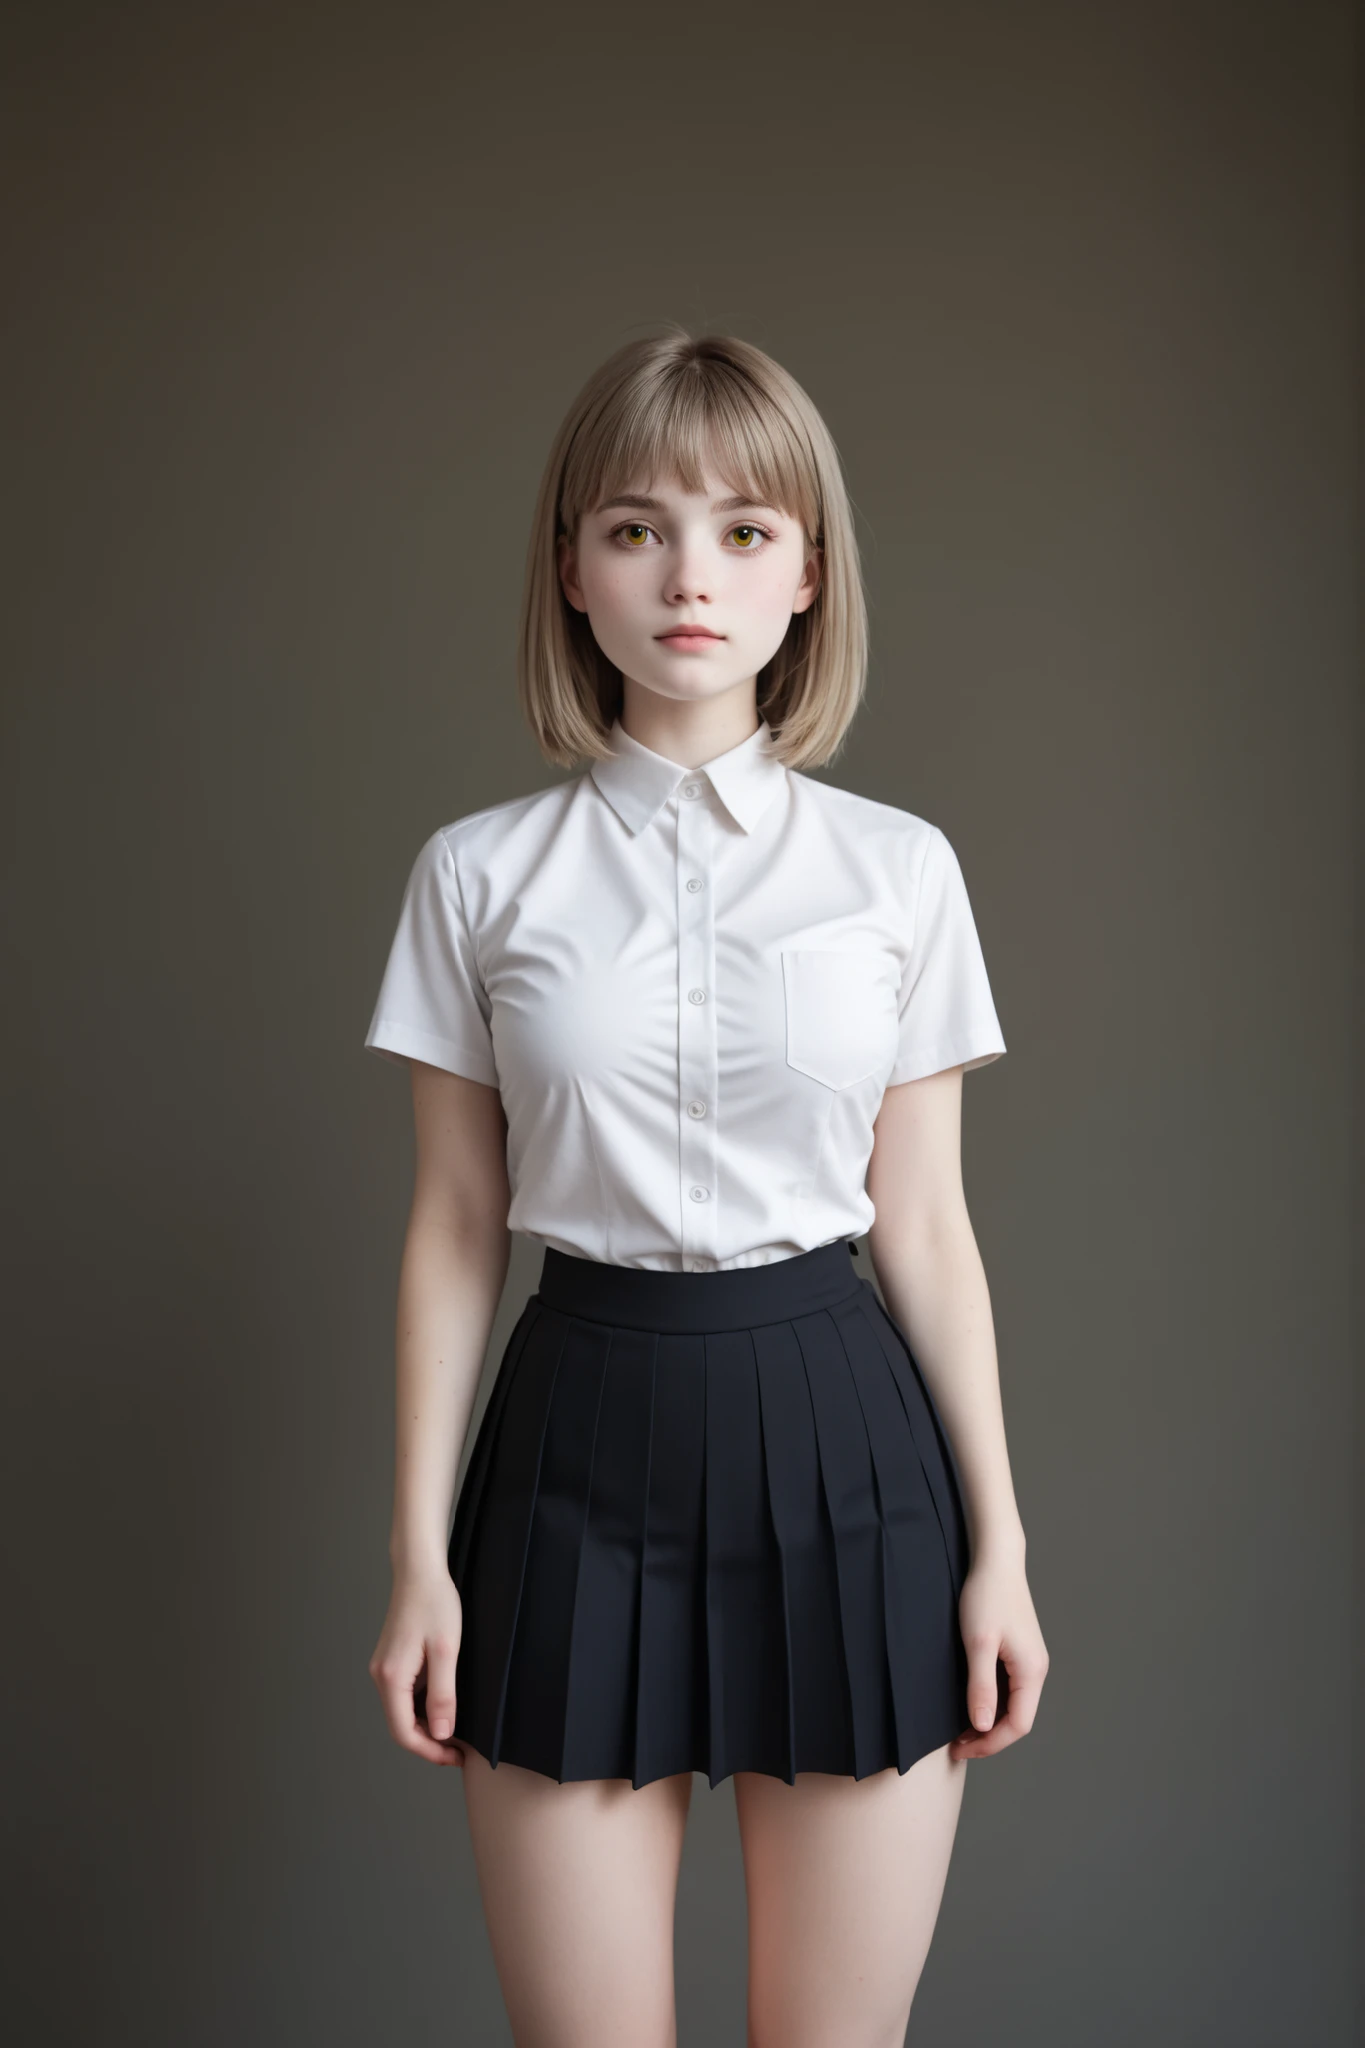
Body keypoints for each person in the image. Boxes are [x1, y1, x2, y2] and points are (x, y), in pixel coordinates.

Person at [363, 329, 1049, 2048]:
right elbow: (455, 1229)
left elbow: (930, 1229)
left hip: (849, 1459)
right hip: (570, 1456)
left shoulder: (900, 871)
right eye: (637, 527)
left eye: (747, 530)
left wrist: (1005, 1548)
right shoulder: (476, 877)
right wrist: (415, 1557)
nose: (692, 575)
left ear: (810, 575)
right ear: (572, 574)